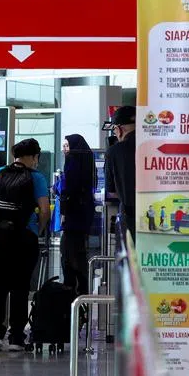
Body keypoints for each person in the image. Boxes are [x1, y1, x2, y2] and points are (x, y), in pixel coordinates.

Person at [0, 139, 51, 352]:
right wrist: (40, 229)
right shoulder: (37, 177)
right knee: (20, 286)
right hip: (24, 237)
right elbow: (44, 210)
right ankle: (16, 337)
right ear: (34, 157)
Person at [60, 134, 96, 296]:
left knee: (68, 255)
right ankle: (82, 292)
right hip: (84, 214)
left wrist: (63, 212)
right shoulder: (88, 161)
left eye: (67, 146)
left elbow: (69, 189)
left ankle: (70, 294)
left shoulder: (72, 161)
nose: (64, 149)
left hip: (73, 215)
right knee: (79, 253)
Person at [104, 106, 137, 240]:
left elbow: (111, 190)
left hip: (129, 218)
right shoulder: (154, 145)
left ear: (119, 129)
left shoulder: (113, 152)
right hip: (157, 215)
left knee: (130, 259)